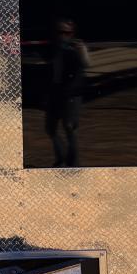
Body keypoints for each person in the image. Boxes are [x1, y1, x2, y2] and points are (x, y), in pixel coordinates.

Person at [45, 18, 89, 167]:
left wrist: (81, 51)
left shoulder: (76, 48)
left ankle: (72, 163)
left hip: (71, 94)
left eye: (67, 32)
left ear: (72, 33)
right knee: (50, 128)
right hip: (55, 93)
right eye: (60, 32)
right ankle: (62, 157)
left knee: (69, 128)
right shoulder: (53, 48)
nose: (63, 35)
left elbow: (85, 64)